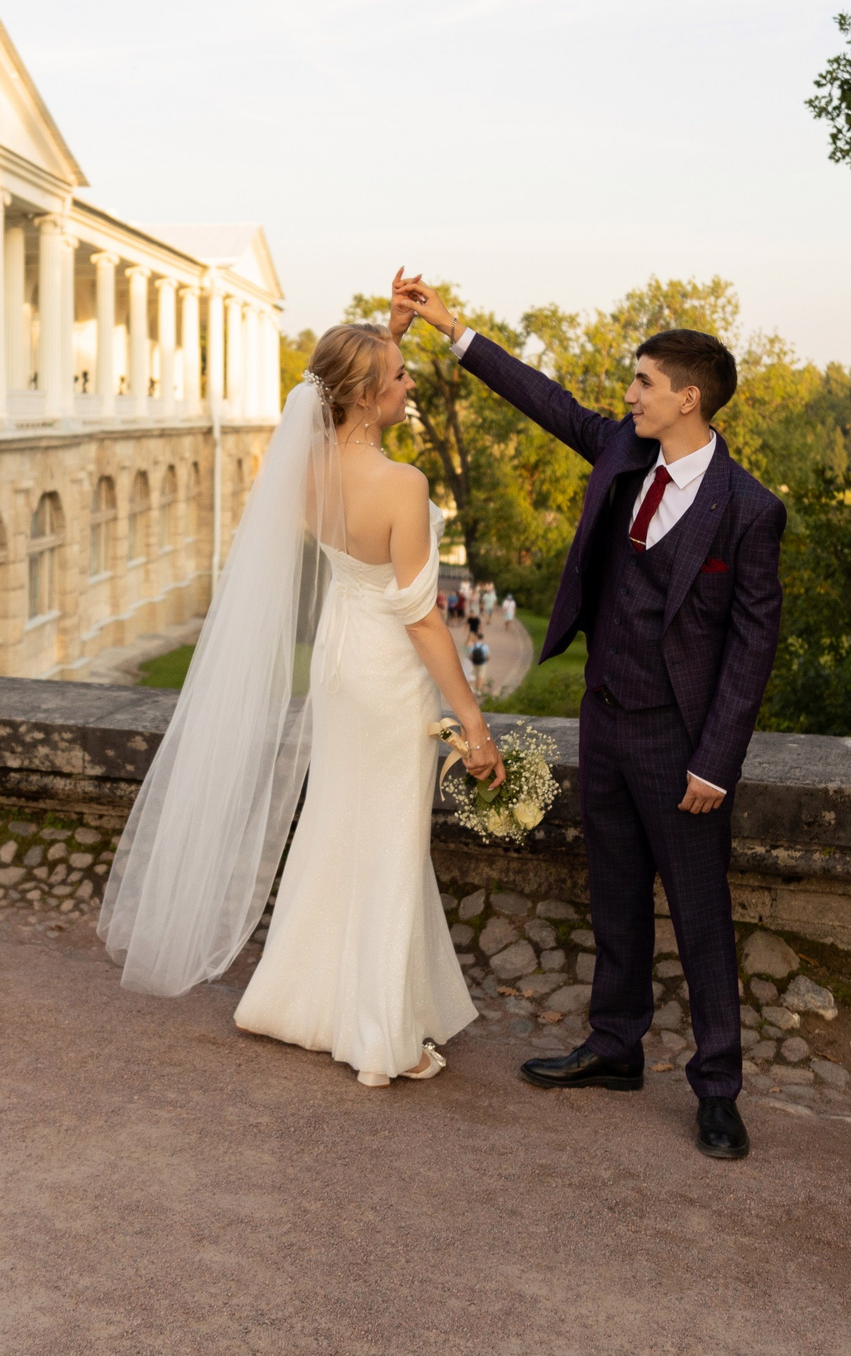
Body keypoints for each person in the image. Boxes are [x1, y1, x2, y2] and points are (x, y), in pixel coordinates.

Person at [391, 271, 784, 1162]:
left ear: (689, 398)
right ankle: (615, 1046)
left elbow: (750, 650)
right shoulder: (622, 450)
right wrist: (455, 333)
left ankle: (717, 1087)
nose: (629, 394)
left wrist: (715, 761)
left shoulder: (751, 511)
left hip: (682, 741)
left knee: (700, 915)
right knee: (611, 896)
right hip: (603, 718)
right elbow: (546, 401)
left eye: (645, 382)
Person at [101, 321, 498, 1087]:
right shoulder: (403, 485)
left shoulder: (305, 469)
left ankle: (295, 998)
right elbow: (421, 615)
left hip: (340, 661)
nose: (410, 384)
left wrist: (383, 332)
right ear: (364, 393)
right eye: (401, 375)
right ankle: (381, 1031)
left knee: (337, 823)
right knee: (387, 839)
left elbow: (348, 384)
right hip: (386, 668)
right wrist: (472, 721)